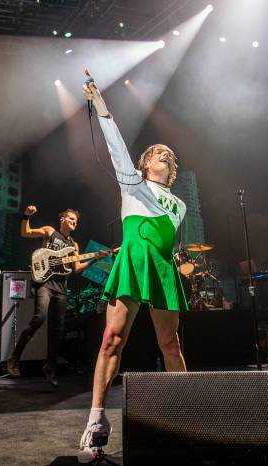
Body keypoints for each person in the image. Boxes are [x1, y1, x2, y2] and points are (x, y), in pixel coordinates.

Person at [78, 75, 188, 462]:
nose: (163, 154)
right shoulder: (132, 183)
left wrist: (176, 262)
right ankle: (96, 421)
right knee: (112, 340)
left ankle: (185, 413)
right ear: (144, 163)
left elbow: (170, 242)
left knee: (170, 344)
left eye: (168, 154)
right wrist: (101, 105)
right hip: (132, 262)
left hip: (161, 268)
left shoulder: (180, 205)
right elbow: (116, 146)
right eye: (157, 151)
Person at [7, 206, 109, 387]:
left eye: (76, 221)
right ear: (62, 219)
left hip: (61, 287)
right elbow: (26, 232)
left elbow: (76, 268)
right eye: (71, 219)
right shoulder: (50, 231)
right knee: (39, 318)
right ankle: (14, 359)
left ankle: (50, 369)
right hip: (45, 283)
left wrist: (96, 259)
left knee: (57, 330)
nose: (74, 223)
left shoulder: (74, 245)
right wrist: (26, 216)